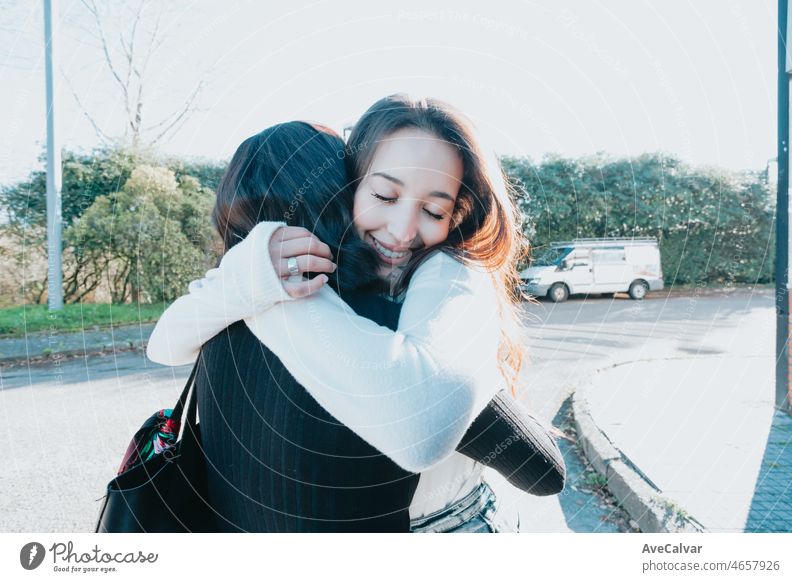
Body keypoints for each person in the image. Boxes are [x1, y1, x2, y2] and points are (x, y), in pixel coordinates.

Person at [148, 97, 564, 532]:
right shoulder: (374, 329)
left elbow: (164, 343)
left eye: (435, 210)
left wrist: (248, 282)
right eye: (384, 194)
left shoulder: (226, 310)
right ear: (346, 191)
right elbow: (540, 468)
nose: (402, 231)